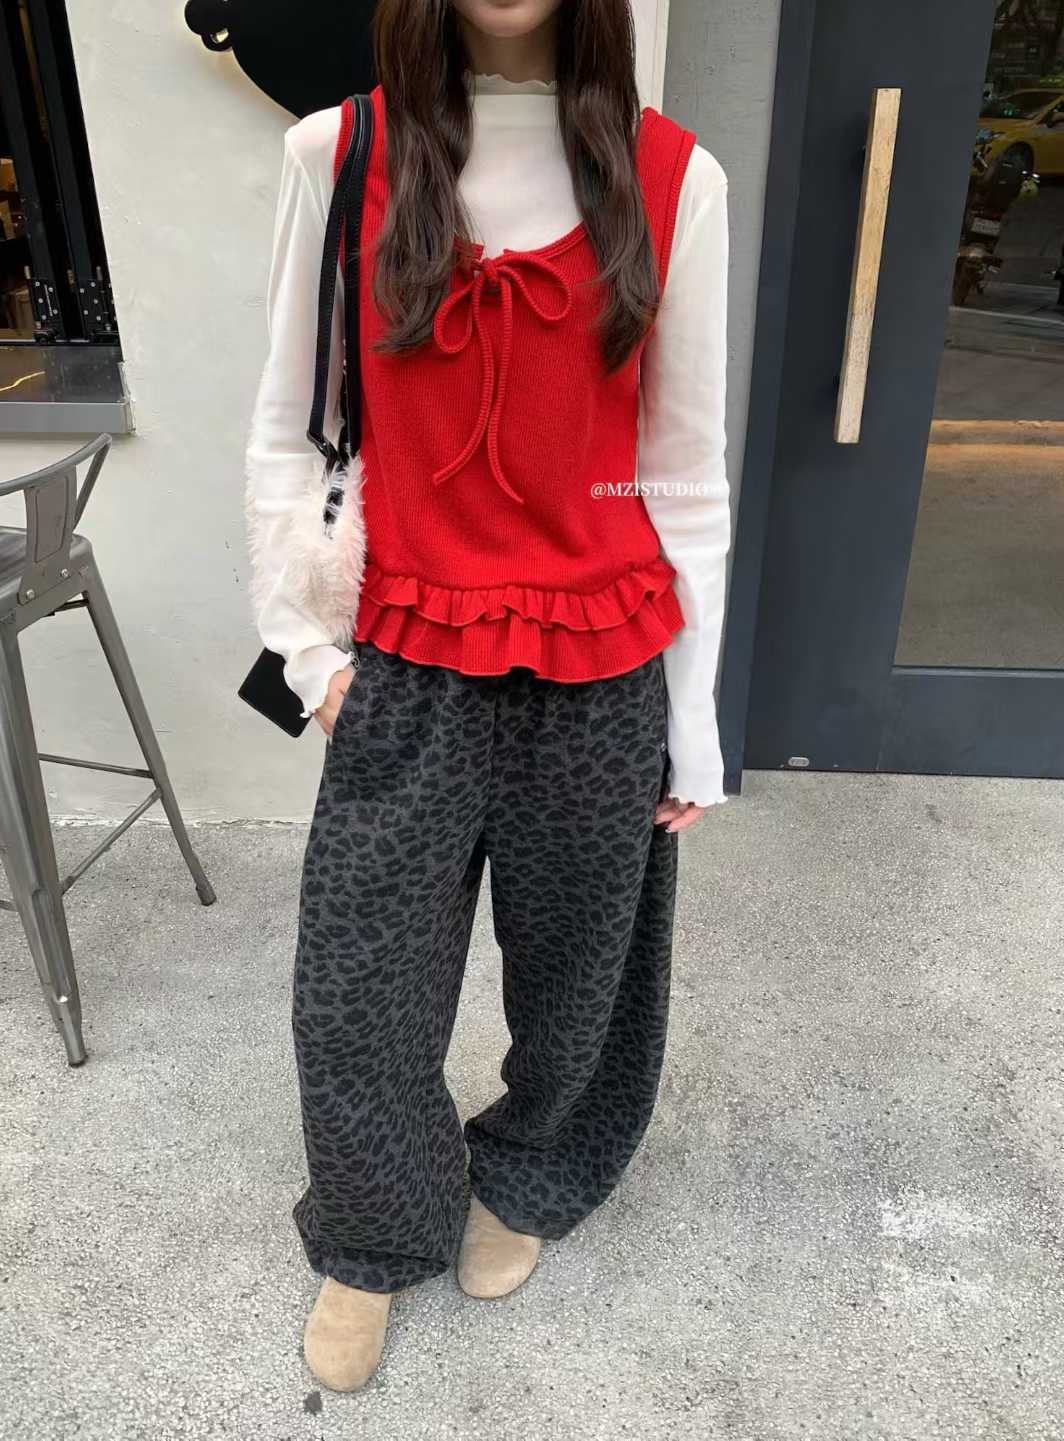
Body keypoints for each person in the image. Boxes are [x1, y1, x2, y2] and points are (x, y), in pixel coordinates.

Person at [244, 0, 730, 1393]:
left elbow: (683, 467)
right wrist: (308, 657)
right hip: (407, 658)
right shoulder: (337, 156)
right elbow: (287, 423)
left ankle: (527, 1171)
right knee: (360, 987)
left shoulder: (673, 176)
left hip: (603, 660)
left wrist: (692, 715)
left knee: (583, 973)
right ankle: (376, 1226)